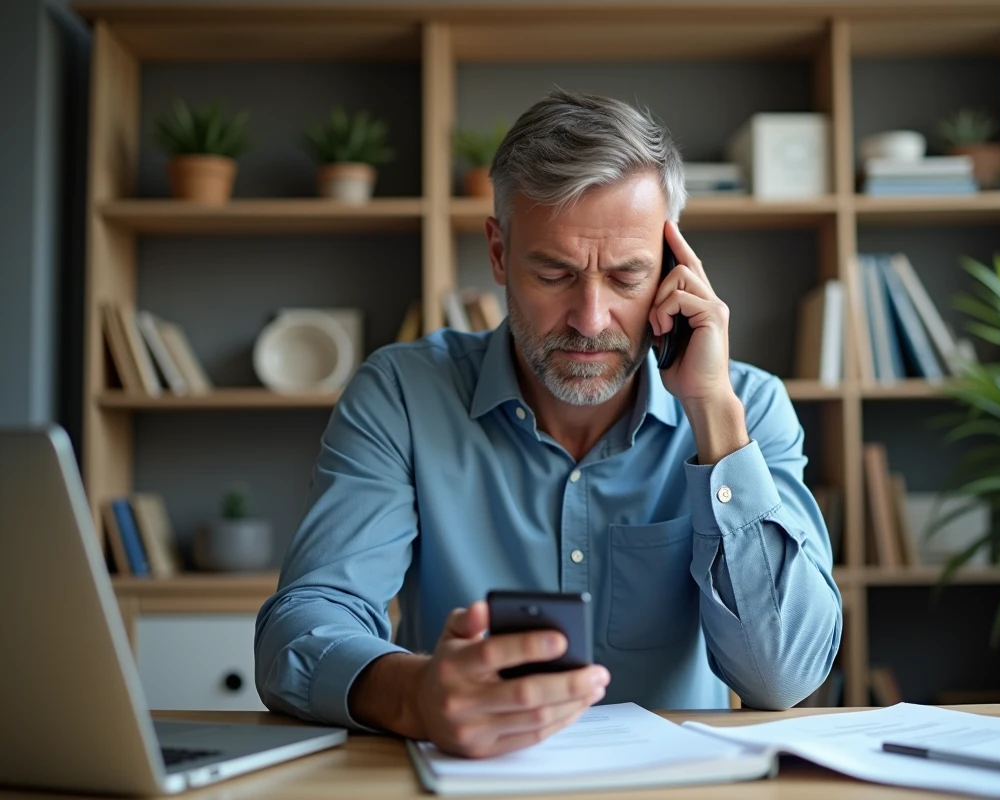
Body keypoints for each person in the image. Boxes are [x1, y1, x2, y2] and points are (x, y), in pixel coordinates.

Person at [255, 90, 841, 759]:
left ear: (674, 270)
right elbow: (298, 634)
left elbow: (782, 678)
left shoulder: (746, 409)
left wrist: (712, 413)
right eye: (554, 273)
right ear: (500, 255)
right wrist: (416, 695)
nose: (590, 319)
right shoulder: (402, 395)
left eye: (627, 277)